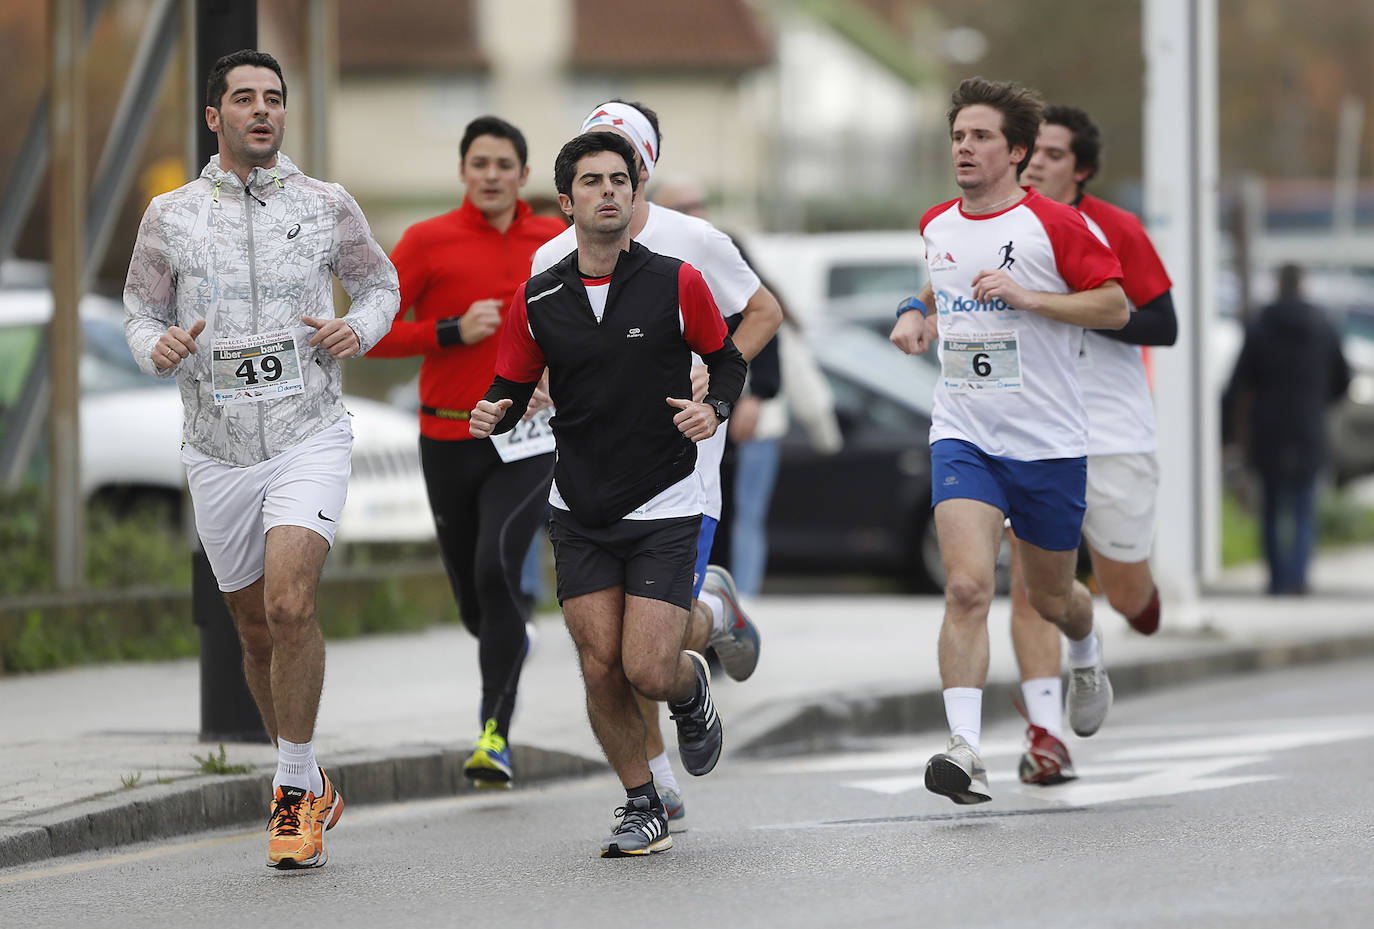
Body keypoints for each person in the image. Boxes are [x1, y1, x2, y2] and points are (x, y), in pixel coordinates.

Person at [122, 49, 399, 868]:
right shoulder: (170, 214)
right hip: (216, 446)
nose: (262, 110)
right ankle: (312, 779)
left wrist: (362, 327)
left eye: (273, 98)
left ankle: (286, 800)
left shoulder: (325, 205)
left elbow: (379, 284)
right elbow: (138, 307)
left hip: (308, 430)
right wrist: (156, 343)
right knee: (251, 628)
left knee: (288, 604)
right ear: (215, 118)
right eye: (244, 98)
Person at [469, 130, 747, 857]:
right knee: (598, 664)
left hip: (662, 500)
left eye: (619, 179)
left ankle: (689, 692)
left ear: (635, 192)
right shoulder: (541, 294)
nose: (608, 191)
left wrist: (712, 408)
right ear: (567, 202)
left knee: (647, 667)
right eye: (591, 182)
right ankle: (641, 800)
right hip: (579, 506)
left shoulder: (677, 280)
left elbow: (725, 360)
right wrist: (492, 406)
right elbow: (512, 375)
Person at [530, 100, 782, 830]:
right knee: (605, 651)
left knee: (651, 646)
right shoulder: (552, 257)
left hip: (683, 468)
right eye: (594, 167)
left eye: (625, 167)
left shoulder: (694, 241)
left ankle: (713, 612)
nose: (610, 184)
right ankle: (657, 784)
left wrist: (713, 374)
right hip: (594, 479)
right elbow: (533, 349)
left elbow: (761, 312)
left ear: (643, 173)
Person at [890, 77, 1127, 804]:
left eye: (981, 136)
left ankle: (1085, 651)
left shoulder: (1054, 225)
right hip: (964, 430)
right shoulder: (936, 222)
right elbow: (939, 278)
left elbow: (1115, 305)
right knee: (965, 585)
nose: (964, 147)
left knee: (1056, 599)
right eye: (958, 135)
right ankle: (965, 748)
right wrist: (912, 311)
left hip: (1048, 441)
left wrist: (1031, 298)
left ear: (1017, 151)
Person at [367, 116, 568, 788]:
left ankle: (493, 734)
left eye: (503, 164)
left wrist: (554, 376)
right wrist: (452, 329)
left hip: (526, 440)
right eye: (479, 163)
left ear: (523, 174)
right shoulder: (428, 241)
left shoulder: (555, 241)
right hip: (447, 436)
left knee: (496, 568)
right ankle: (511, 635)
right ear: (462, 172)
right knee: (476, 606)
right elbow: (373, 331)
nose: (490, 175)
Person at [1009, 104, 1178, 785]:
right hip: (1033, 429)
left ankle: (1135, 600)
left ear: (1079, 168)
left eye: (1052, 153)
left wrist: (1070, 303)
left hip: (1112, 430)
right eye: (1032, 151)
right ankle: (1046, 735)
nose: (1038, 162)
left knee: (1123, 585)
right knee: (1032, 587)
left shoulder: (1116, 228)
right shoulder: (1003, 228)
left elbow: (1163, 323)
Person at [1226, 264, 1350, 595]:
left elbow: (1239, 383)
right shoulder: (1324, 327)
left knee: (1271, 506)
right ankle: (1298, 578)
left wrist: (1232, 433)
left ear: (1277, 285)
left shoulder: (1260, 327)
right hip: (1309, 424)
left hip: (1268, 427)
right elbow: (1343, 380)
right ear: (1303, 285)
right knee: (1303, 507)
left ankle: (1277, 579)